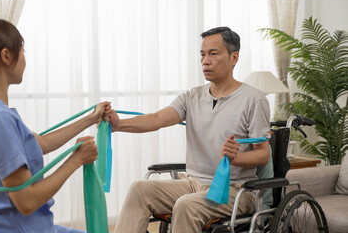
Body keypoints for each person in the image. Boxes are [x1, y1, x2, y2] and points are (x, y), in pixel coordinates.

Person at [0, 18, 111, 233]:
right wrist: (77, 159)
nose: (25, 59)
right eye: (23, 51)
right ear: (6, 56)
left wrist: (91, 118)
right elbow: (26, 201)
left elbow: (41, 143)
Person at [112, 27, 271, 233]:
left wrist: (236, 158)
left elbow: (263, 154)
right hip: (193, 184)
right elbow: (157, 119)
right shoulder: (191, 97)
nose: (205, 61)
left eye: (214, 54)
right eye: (203, 54)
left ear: (234, 57)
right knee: (139, 189)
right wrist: (119, 125)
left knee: (186, 205)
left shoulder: (254, 99)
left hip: (234, 190)